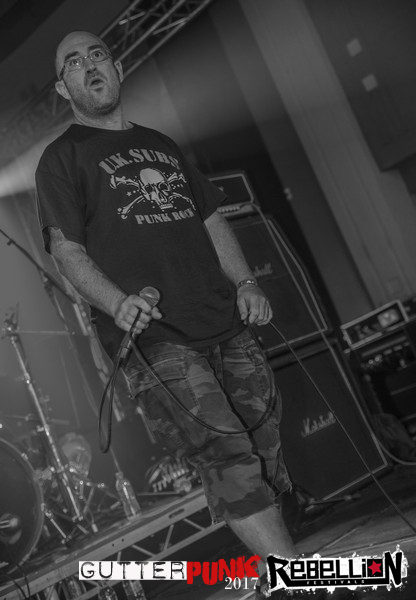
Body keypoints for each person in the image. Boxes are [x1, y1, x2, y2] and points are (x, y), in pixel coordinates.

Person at [35, 31, 356, 600]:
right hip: (156, 338)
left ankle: (275, 572)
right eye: (74, 63)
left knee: (263, 450)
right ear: (64, 89)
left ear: (117, 68)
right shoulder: (62, 157)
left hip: (223, 318)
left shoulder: (160, 144)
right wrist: (117, 302)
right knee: (225, 453)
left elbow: (210, 219)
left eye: (98, 54)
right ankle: (294, 580)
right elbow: (66, 250)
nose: (89, 65)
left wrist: (246, 282)